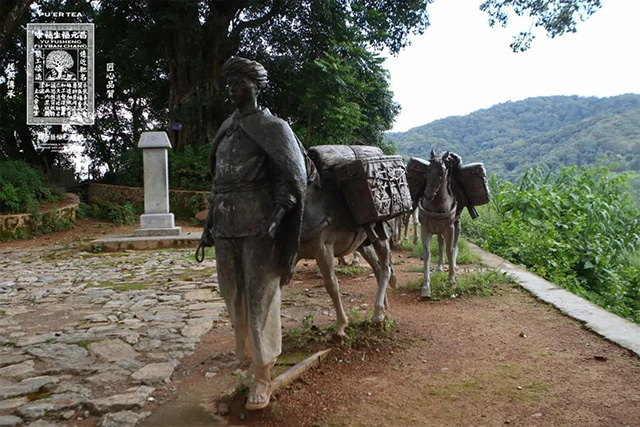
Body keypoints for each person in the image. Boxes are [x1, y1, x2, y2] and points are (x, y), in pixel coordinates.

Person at [201, 56, 306, 410]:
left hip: (261, 226)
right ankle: (248, 356)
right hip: (227, 225)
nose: (233, 89)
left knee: (261, 300)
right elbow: (218, 181)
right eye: (229, 83)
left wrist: (276, 220)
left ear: (256, 86)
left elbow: (291, 180)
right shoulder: (227, 128)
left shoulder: (273, 127)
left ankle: (263, 376)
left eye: (239, 82)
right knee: (234, 296)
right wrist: (208, 225)